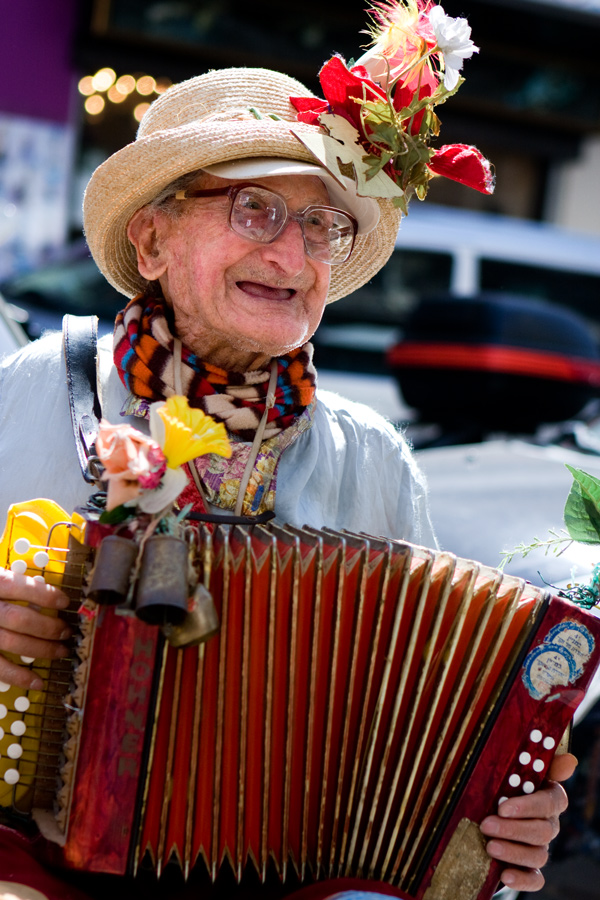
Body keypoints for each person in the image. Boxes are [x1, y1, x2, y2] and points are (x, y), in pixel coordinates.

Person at [0, 3, 576, 898]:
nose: (294, 254)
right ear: (153, 240)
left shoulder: (373, 461)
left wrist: (502, 816)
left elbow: (426, 744)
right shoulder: (25, 392)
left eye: (322, 227)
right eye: (256, 208)